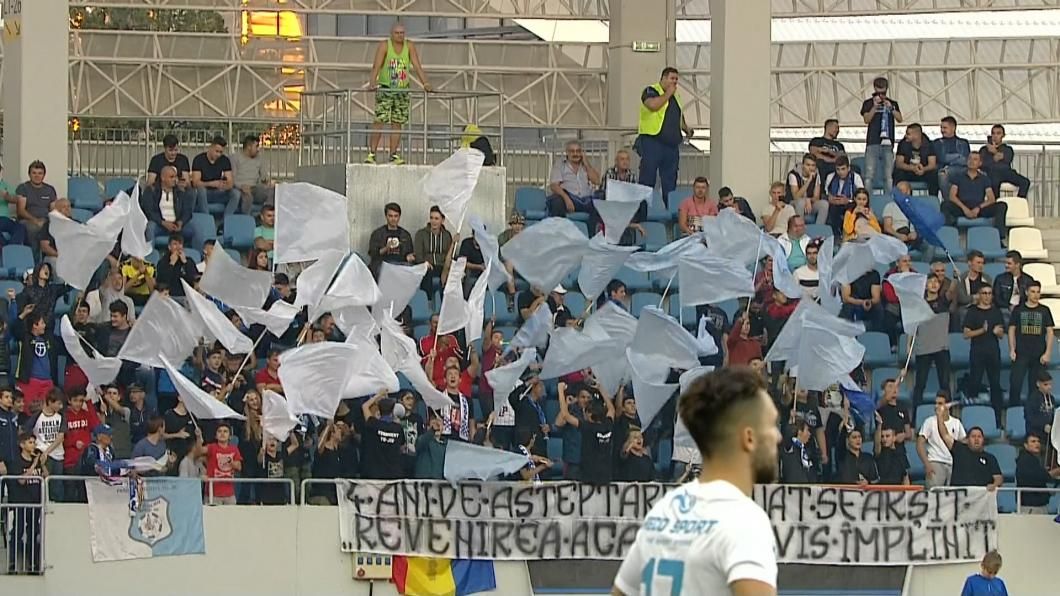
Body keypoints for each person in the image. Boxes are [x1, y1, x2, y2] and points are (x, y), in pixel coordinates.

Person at [613, 367, 780, 596]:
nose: (778, 436)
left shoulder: (664, 511)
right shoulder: (744, 521)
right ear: (747, 437)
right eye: (770, 425)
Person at [366, 21, 431, 165]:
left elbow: (417, 65)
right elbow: (376, 65)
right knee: (379, 121)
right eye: (397, 33)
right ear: (392, 34)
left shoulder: (409, 46)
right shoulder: (385, 45)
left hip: (402, 89)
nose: (400, 36)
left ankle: (393, 153)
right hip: (386, 87)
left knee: (398, 123)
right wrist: (372, 81)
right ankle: (372, 153)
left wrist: (425, 82)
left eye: (402, 33)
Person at [636, 66, 693, 209]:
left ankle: (670, 210)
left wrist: (686, 128)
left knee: (670, 181)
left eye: (676, 79)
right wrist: (668, 94)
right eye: (672, 79)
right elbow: (653, 106)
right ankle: (644, 211)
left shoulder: (676, 97)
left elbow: (678, 115)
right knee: (648, 178)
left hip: (671, 144)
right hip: (653, 141)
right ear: (663, 78)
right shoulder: (651, 91)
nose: (674, 82)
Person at [557, 380, 615, 485]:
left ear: (588, 414)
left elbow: (565, 415)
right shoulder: (608, 425)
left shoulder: (588, 427)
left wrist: (561, 391)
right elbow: (611, 409)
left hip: (588, 476)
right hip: (605, 475)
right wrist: (601, 389)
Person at [4, 432, 47, 574]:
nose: (33, 445)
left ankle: (33, 565)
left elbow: (46, 476)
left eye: (34, 442)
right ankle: (12, 564)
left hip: (36, 503)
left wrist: (42, 463)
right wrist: (34, 464)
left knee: (34, 534)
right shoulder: (17, 461)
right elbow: (21, 480)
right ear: (22, 445)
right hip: (21, 502)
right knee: (18, 532)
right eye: (30, 442)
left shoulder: (37, 459)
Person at [963, 286, 1007, 422]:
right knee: (975, 382)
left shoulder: (996, 312)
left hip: (993, 352)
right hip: (977, 352)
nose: (987, 296)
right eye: (984, 293)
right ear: (979, 295)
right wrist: (982, 330)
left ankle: (998, 420)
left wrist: (997, 332)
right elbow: (966, 334)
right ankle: (972, 417)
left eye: (989, 293)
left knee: (995, 385)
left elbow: (1001, 334)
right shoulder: (972, 312)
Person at [941, 152, 1008, 241]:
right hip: (962, 207)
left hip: (979, 208)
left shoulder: (984, 178)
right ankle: (949, 235)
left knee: (1002, 205)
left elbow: (991, 199)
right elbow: (952, 196)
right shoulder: (958, 176)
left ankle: (999, 238)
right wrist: (965, 209)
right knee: (945, 205)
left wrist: (978, 208)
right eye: (970, 159)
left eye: (975, 159)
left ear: (980, 163)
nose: (972, 161)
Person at [1008, 281, 1053, 408]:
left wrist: (1048, 353)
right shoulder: (1018, 309)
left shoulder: (1045, 310)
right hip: (1021, 353)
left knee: (1035, 388)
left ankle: (1033, 412)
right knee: (1015, 384)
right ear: (1027, 292)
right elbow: (1011, 329)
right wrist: (1012, 349)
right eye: (1033, 292)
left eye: (1038, 292)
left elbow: (1050, 332)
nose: (1036, 295)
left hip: (1039, 354)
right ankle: (1013, 410)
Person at [860, 76, 903, 195]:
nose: (881, 95)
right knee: (869, 175)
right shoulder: (868, 103)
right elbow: (866, 119)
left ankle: (889, 200)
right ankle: (867, 201)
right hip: (872, 142)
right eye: (878, 93)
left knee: (888, 176)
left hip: (888, 143)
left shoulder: (892, 103)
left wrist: (891, 108)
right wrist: (875, 107)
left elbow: (900, 119)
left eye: (883, 93)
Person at [916, 392, 966, 488]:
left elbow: (963, 443)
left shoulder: (956, 423)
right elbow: (920, 443)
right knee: (934, 496)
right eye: (936, 403)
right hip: (935, 462)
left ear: (948, 405)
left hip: (953, 464)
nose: (936, 406)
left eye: (940, 403)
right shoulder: (929, 422)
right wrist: (926, 464)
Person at [546, 140, 601, 225]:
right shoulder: (560, 165)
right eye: (572, 151)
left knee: (601, 198)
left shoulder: (586, 166)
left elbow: (597, 181)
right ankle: (560, 233)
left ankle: (592, 235)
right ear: (567, 153)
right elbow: (554, 185)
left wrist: (586, 163)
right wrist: (566, 198)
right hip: (569, 199)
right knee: (557, 201)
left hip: (586, 200)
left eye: (578, 151)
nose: (575, 154)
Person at [940, 421, 1003, 491]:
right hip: (960, 497)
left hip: (981, 498)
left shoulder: (990, 458)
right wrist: (939, 416)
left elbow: (998, 478)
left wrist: (994, 485)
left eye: (979, 437)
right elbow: (944, 435)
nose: (976, 439)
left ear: (983, 440)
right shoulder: (959, 450)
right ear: (967, 440)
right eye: (973, 436)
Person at [142, 164, 194, 245]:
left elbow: (187, 211)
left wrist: (180, 222)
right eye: (171, 177)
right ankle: (149, 254)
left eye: (175, 177)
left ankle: (197, 255)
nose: (175, 179)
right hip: (160, 225)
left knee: (194, 230)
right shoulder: (151, 190)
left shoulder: (181, 192)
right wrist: (163, 223)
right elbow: (149, 211)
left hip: (176, 225)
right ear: (163, 178)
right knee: (150, 227)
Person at [360, 390, 406, 480]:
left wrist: (378, 395)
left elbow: (364, 406)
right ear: (393, 411)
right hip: (393, 474)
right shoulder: (398, 428)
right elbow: (402, 447)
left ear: (379, 410)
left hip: (375, 474)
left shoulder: (373, 424)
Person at [191, 136, 240, 216]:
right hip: (205, 193)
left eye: (221, 152)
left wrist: (224, 186)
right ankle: (207, 218)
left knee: (236, 193)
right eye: (216, 151)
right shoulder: (199, 159)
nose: (218, 154)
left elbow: (230, 182)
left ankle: (226, 220)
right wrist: (211, 184)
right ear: (210, 148)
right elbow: (195, 183)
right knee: (201, 190)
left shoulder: (224, 160)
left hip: (219, 192)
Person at [979, 124, 1030, 199]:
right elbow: (981, 164)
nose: (995, 136)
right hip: (991, 172)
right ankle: (996, 206)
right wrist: (995, 157)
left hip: (1006, 172)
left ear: (1003, 135)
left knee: (1025, 182)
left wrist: (995, 152)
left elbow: (1008, 159)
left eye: (998, 133)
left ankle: (1019, 202)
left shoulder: (1007, 149)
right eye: (993, 133)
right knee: (994, 182)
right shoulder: (984, 149)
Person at [412, 206, 453, 296]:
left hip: (442, 266)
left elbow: (449, 255)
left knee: (451, 275)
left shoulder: (447, 235)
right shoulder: (421, 234)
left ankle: (444, 304)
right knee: (427, 273)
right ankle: (429, 301)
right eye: (431, 218)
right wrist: (424, 262)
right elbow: (418, 254)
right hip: (427, 266)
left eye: (436, 218)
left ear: (442, 220)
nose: (433, 221)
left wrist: (447, 268)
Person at [1015, 433, 1060, 514]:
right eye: (1033, 441)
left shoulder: (1033, 460)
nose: (1037, 444)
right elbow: (1039, 477)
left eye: (1038, 441)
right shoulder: (1025, 460)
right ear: (1025, 445)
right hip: (1031, 507)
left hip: (1037, 505)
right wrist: (1056, 471)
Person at [15, 160, 58, 244]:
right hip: (28, 220)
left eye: (40, 173)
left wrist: (50, 222)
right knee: (33, 229)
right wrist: (36, 221)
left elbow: (53, 210)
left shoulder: (50, 189)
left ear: (44, 175)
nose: (37, 176)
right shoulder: (23, 188)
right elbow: (20, 211)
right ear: (29, 174)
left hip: (46, 220)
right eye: (34, 173)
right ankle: (34, 257)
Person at [367, 202, 415, 276]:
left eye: (396, 216)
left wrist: (410, 257)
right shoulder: (378, 233)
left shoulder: (405, 235)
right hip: (383, 264)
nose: (393, 219)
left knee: (410, 270)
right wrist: (386, 248)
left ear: (399, 217)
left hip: (400, 265)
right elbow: (372, 254)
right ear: (386, 216)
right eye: (390, 216)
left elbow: (409, 254)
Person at [892, 123, 939, 197]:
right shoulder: (903, 144)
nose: (905, 136)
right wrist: (912, 168)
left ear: (916, 135)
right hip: (908, 171)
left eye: (908, 134)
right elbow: (899, 163)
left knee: (934, 174)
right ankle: (903, 198)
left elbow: (932, 164)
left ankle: (933, 199)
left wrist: (924, 169)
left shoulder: (929, 144)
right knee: (898, 173)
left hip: (923, 172)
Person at [230, 135, 274, 212]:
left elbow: (264, 177)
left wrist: (269, 182)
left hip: (254, 188)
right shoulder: (235, 158)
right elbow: (232, 178)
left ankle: (267, 218)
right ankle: (246, 221)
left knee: (271, 192)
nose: (258, 149)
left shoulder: (259, 159)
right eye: (256, 146)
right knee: (248, 197)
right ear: (249, 147)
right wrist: (241, 187)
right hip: (240, 188)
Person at [822, 156, 864, 236]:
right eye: (838, 169)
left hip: (850, 203)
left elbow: (861, 195)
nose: (840, 172)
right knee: (833, 210)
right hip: (834, 204)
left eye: (843, 169)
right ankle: (835, 236)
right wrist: (829, 198)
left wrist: (848, 200)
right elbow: (825, 192)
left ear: (848, 168)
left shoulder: (855, 177)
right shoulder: (830, 177)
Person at [935, 116, 972, 199]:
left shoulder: (963, 142)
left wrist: (951, 159)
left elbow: (966, 160)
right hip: (946, 169)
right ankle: (950, 202)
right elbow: (942, 158)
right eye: (941, 127)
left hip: (963, 169)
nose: (942, 130)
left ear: (953, 128)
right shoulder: (937, 143)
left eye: (945, 128)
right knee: (942, 174)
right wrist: (958, 156)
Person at [206, 423, 243, 505]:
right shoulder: (211, 447)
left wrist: (230, 462)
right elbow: (197, 453)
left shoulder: (234, 449)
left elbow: (239, 467)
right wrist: (198, 438)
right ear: (215, 436)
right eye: (219, 431)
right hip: (213, 493)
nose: (222, 434)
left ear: (230, 436)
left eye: (225, 431)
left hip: (229, 493)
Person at [785, 153, 825, 224]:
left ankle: (818, 230)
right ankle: (800, 228)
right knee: (801, 202)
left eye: (813, 165)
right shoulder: (793, 174)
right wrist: (809, 180)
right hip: (794, 203)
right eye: (808, 165)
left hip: (809, 204)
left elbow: (816, 197)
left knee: (824, 204)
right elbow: (796, 197)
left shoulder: (816, 175)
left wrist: (808, 200)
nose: (810, 168)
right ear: (803, 165)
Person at [873, 415, 911, 484]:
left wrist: (907, 493)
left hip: (898, 490)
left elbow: (905, 477)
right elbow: (877, 443)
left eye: (887, 436)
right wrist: (879, 425)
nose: (884, 439)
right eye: (882, 436)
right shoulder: (879, 452)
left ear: (894, 438)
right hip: (882, 488)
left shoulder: (901, 455)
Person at [1024, 370, 1055, 440]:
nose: (1049, 387)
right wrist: (1043, 426)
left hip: (1049, 434)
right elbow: (1029, 417)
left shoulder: (1052, 399)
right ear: (1038, 384)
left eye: (1050, 384)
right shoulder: (1032, 399)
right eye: (1046, 384)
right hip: (1036, 433)